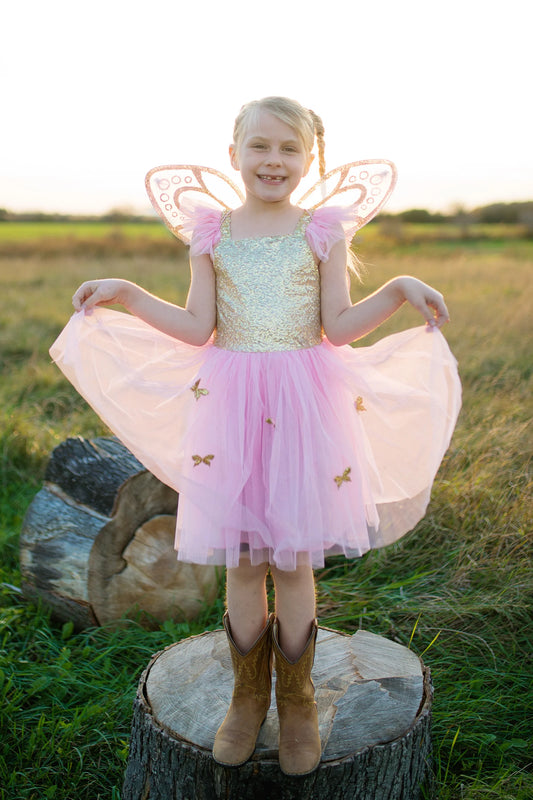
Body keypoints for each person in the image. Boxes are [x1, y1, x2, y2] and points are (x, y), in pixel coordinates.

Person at [50, 96, 461, 776]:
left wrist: (397, 286)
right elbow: (195, 326)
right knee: (243, 560)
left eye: (289, 149)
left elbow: (335, 326)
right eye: (260, 147)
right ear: (234, 152)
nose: (274, 161)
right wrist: (125, 290)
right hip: (231, 408)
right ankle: (247, 696)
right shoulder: (212, 232)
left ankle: (295, 700)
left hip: (303, 407)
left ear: (309, 160)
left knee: (292, 560)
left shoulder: (321, 230)